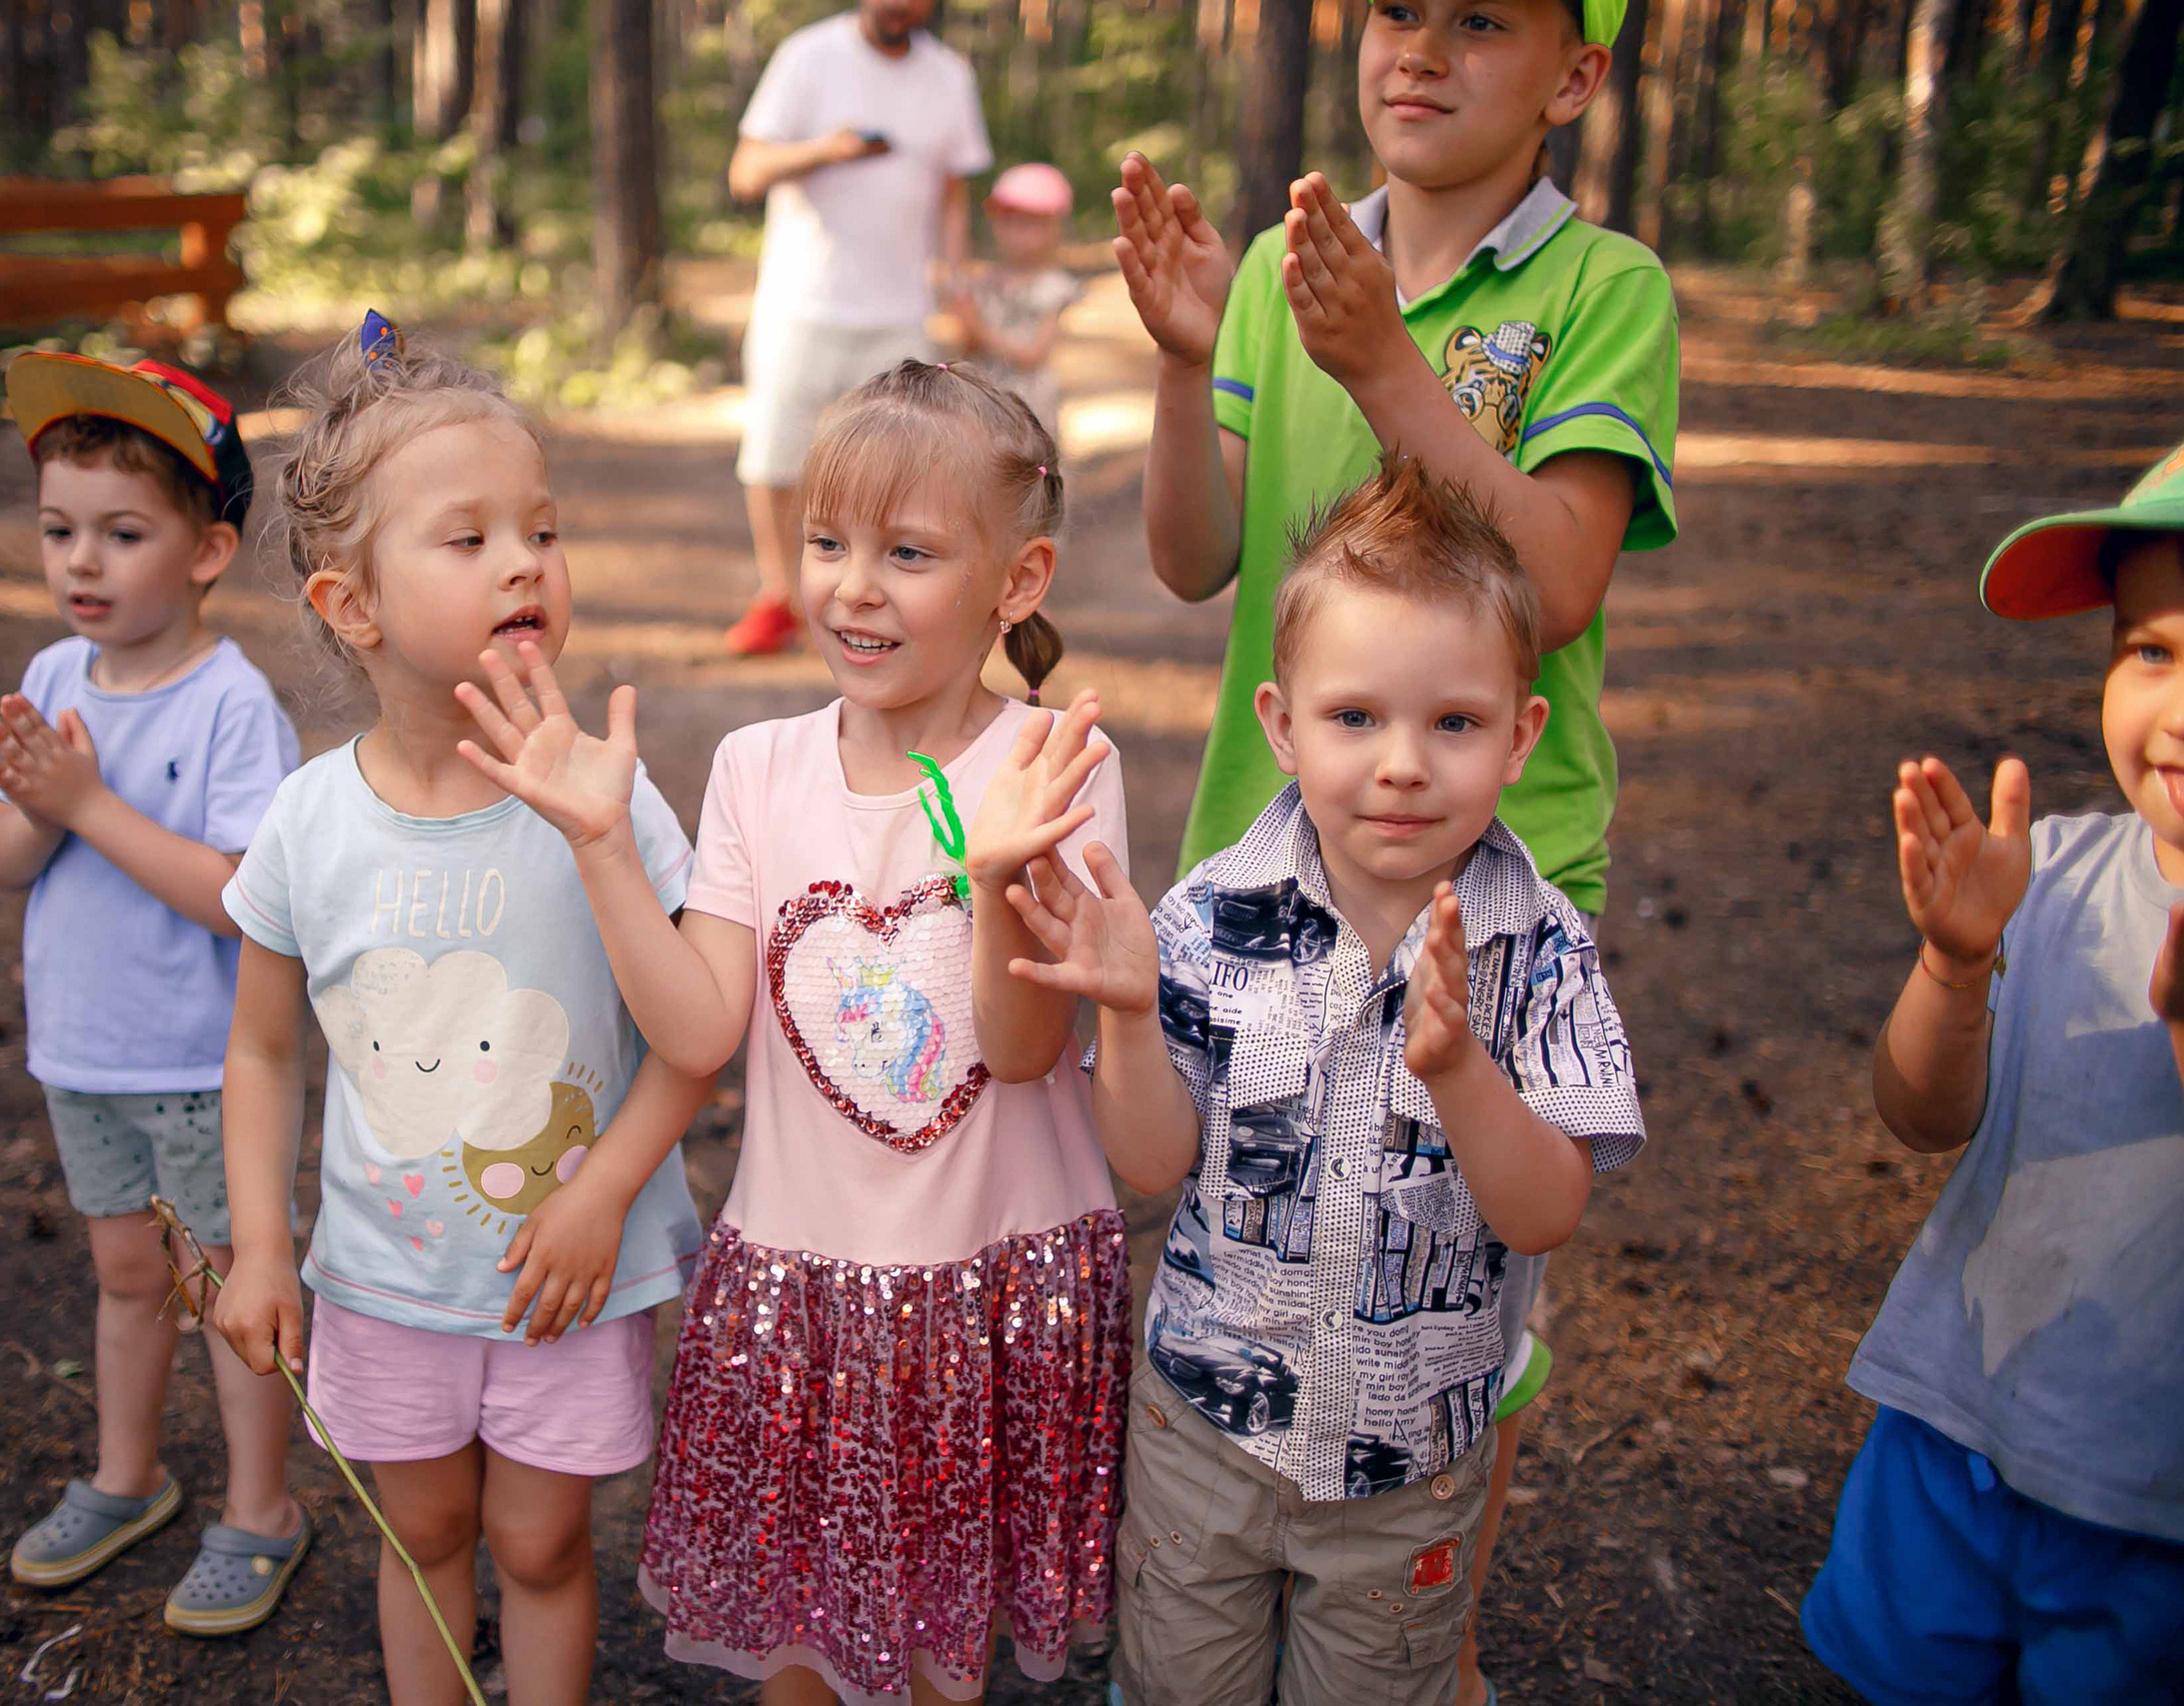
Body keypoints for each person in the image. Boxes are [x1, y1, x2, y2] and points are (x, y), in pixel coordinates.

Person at [1111, 0, 1678, 1689]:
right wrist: (1183, 357)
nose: (1420, 50)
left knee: (1447, 1288)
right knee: (1266, 1230)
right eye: (1395, 11)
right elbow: (1193, 557)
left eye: (1480, 20)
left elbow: (1558, 578)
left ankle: (1420, 1640)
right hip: (1276, 869)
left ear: (1577, 75)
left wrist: (1380, 365)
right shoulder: (1287, 270)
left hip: (1487, 874)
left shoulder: (1605, 290)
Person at [458, 362, 1126, 1704]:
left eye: (907, 553)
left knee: (938, 1661)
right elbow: (701, 1025)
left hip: (986, 1290)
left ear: (1018, 578)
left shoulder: (1057, 767)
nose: (852, 588)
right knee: (800, 1651)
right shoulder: (757, 767)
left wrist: (998, 877)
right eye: (826, 543)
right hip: (805, 1302)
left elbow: (1021, 1050)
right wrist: (601, 846)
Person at [1006, 453, 1643, 1705]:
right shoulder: (1208, 918)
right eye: (1354, 718)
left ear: (1520, 736)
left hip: (1411, 1470)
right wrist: (1128, 1013)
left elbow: (1545, 1214)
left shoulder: (1538, 947)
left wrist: (1458, 1072)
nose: (1402, 764)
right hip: (1204, 1434)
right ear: (1281, 725)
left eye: (1453, 723)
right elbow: (1153, 1163)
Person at [211, 315, 710, 1706]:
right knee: (422, 1532)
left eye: (542, 531)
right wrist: (262, 1247)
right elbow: (261, 1048)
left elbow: (693, 1036)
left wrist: (604, 1193)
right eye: (470, 537)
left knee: (540, 1541)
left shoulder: (606, 800)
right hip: (383, 1280)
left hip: (567, 1273)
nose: (524, 562)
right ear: (351, 604)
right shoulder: (309, 822)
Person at [1801, 445, 2184, 1702]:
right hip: (1953, 1430)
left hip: (2150, 1513)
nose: (2176, 708)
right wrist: (1956, 967)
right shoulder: (2055, 875)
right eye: (2150, 651)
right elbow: (1919, 1114)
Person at [0, 353, 309, 1633]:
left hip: (198, 1061)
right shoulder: (53, 676)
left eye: (122, 533)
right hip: (84, 1053)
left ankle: (261, 1509)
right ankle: (128, 1478)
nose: (82, 562)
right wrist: (38, 807)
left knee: (224, 1286)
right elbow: (6, 861)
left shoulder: (229, 705)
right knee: (126, 1275)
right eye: (58, 530)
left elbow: (240, 895)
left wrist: (86, 804)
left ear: (208, 549)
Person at [721, 0, 993, 656]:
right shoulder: (807, 55)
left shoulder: (950, 75)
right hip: (799, 301)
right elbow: (745, 173)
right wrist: (828, 149)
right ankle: (779, 599)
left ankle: (881, 606)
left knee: (902, 471)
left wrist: (957, 290)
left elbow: (953, 198)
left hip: (900, 311)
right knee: (776, 459)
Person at [950, 162, 1085, 439]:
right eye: (1007, 222)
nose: (1014, 234)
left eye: (1026, 224)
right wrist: (964, 323)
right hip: (984, 403)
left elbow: (1034, 354)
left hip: (1030, 409)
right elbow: (968, 350)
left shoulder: (1053, 286)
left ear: (1052, 226)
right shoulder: (985, 281)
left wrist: (980, 330)